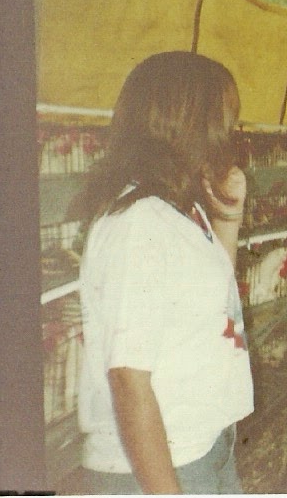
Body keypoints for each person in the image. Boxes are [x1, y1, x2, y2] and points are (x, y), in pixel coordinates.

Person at [75, 51, 253, 493]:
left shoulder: (178, 208)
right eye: (225, 120)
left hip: (203, 445)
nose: (231, 133)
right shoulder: (140, 224)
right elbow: (128, 380)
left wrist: (228, 217)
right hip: (159, 469)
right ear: (187, 123)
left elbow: (213, 305)